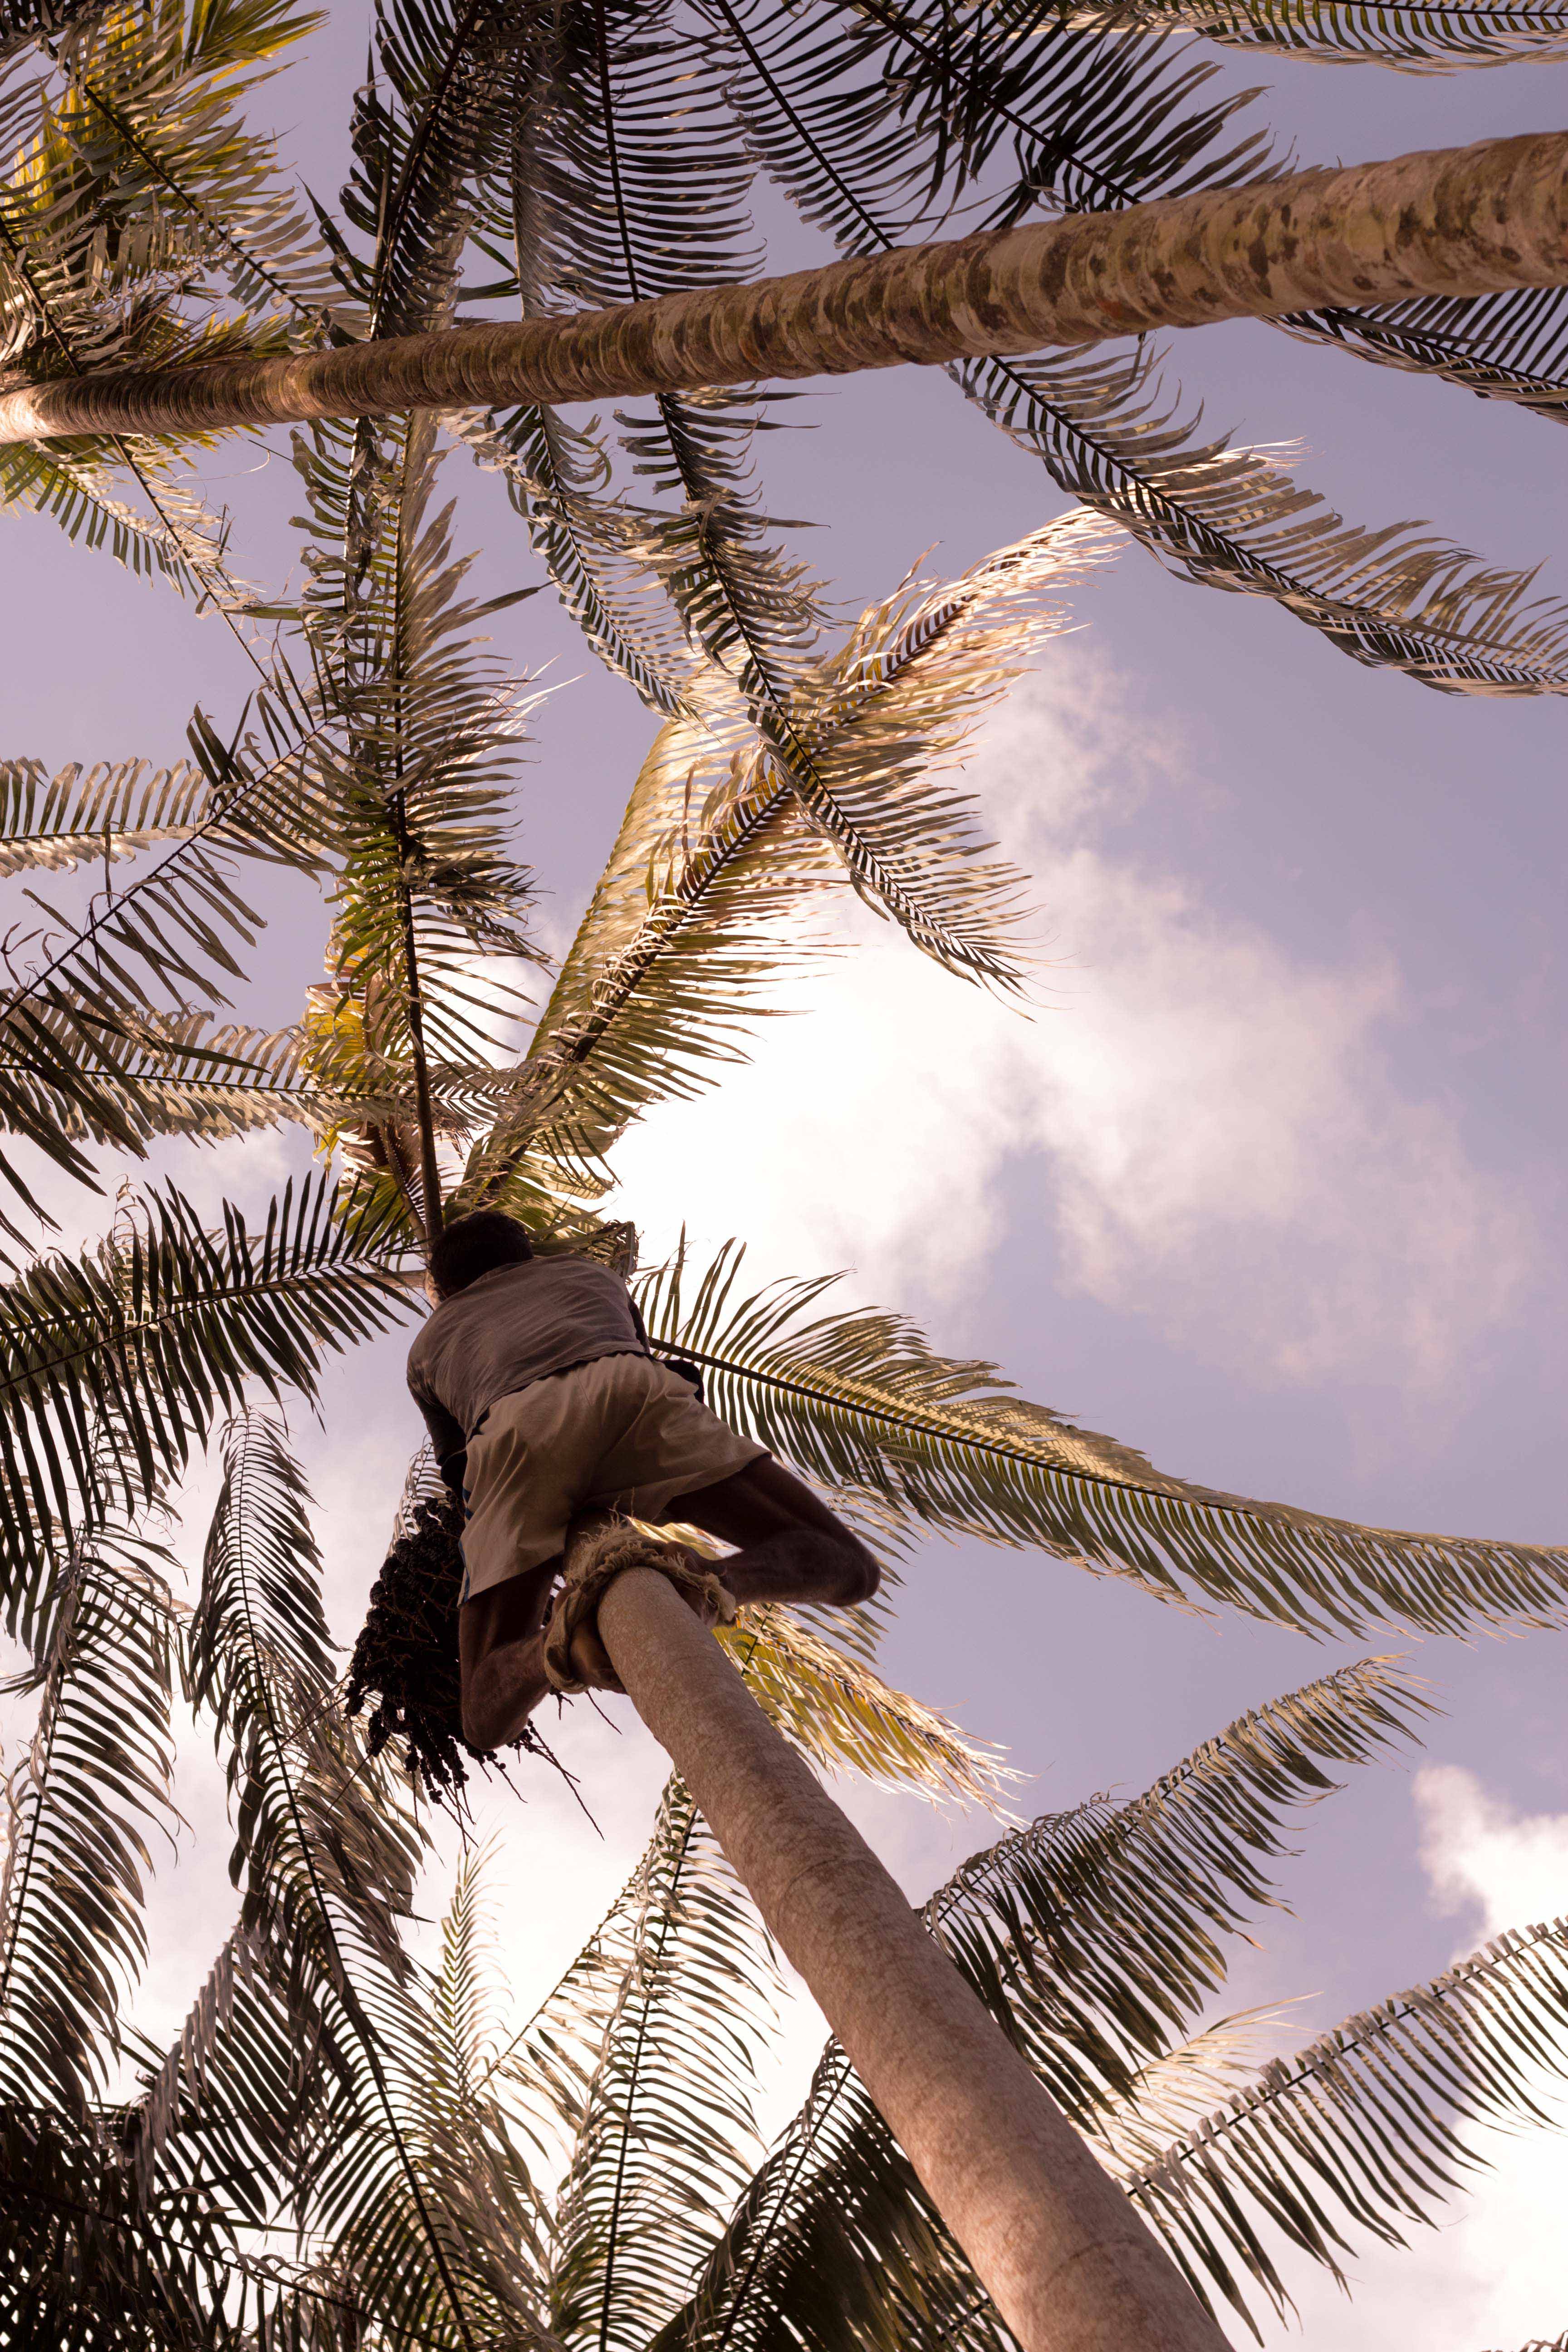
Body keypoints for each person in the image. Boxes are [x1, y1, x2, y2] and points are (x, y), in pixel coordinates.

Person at [407, 1210, 880, 1751]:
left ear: (442, 1290)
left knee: (483, 1714)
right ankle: (715, 1583)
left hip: (516, 1431)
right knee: (849, 1567)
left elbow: (458, 1471)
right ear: (524, 1255)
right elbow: (638, 1347)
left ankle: (553, 1650)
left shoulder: (427, 1347)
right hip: (631, 1388)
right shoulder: (594, 1276)